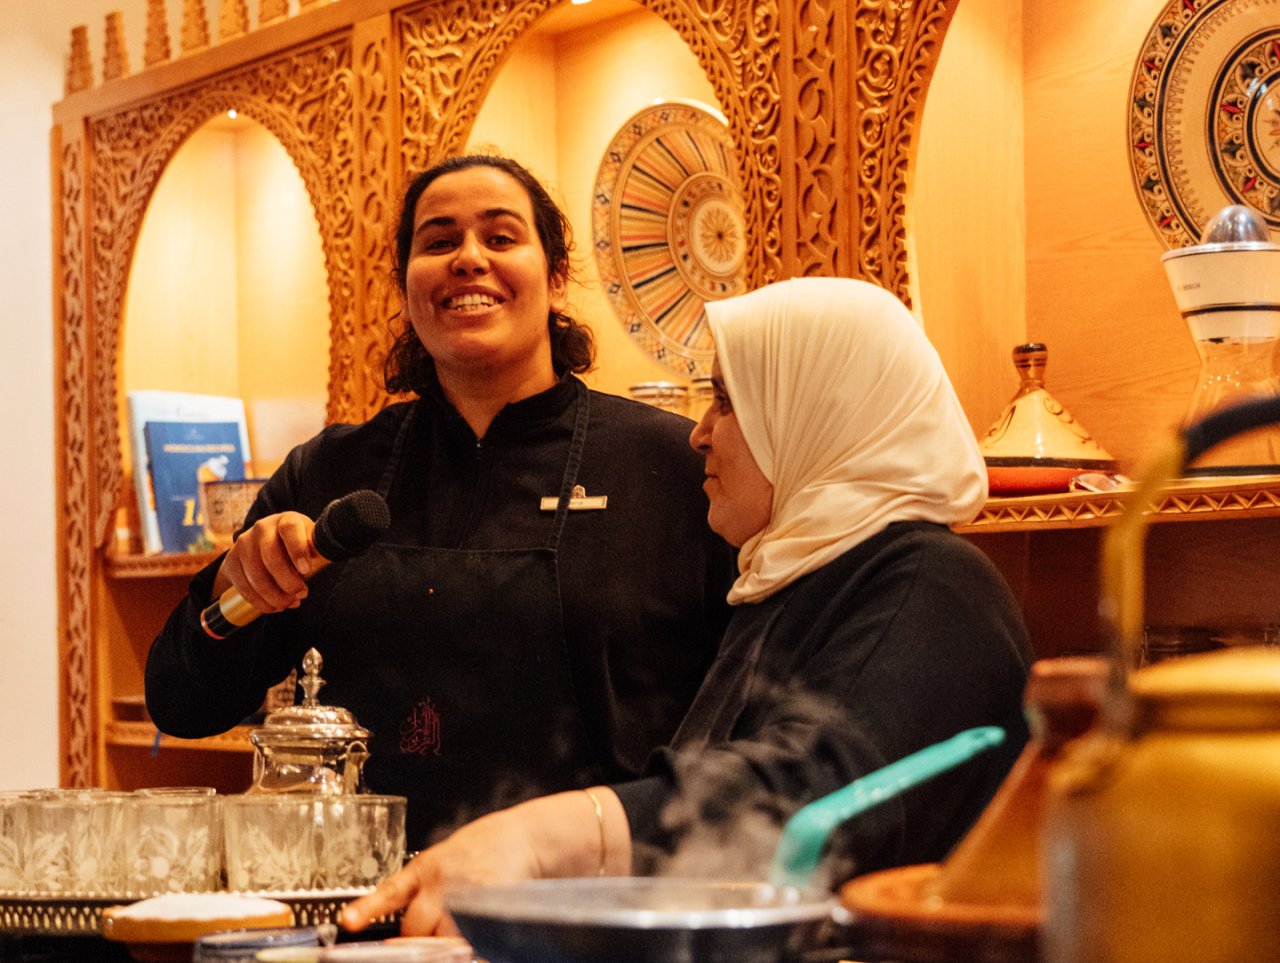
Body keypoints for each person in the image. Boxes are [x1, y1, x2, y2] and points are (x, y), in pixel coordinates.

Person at [341, 276, 1033, 936]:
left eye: (728, 402)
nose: (700, 432)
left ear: (819, 411)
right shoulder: (785, 587)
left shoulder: (933, 583)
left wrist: (544, 837)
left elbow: (815, 796)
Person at [145, 154, 736, 849]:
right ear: (406, 288)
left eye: (501, 236)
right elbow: (182, 701)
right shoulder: (329, 470)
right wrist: (234, 587)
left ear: (555, 279)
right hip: (373, 910)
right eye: (438, 241)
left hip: (591, 912)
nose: (468, 259)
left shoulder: (672, 463)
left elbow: (743, 722)